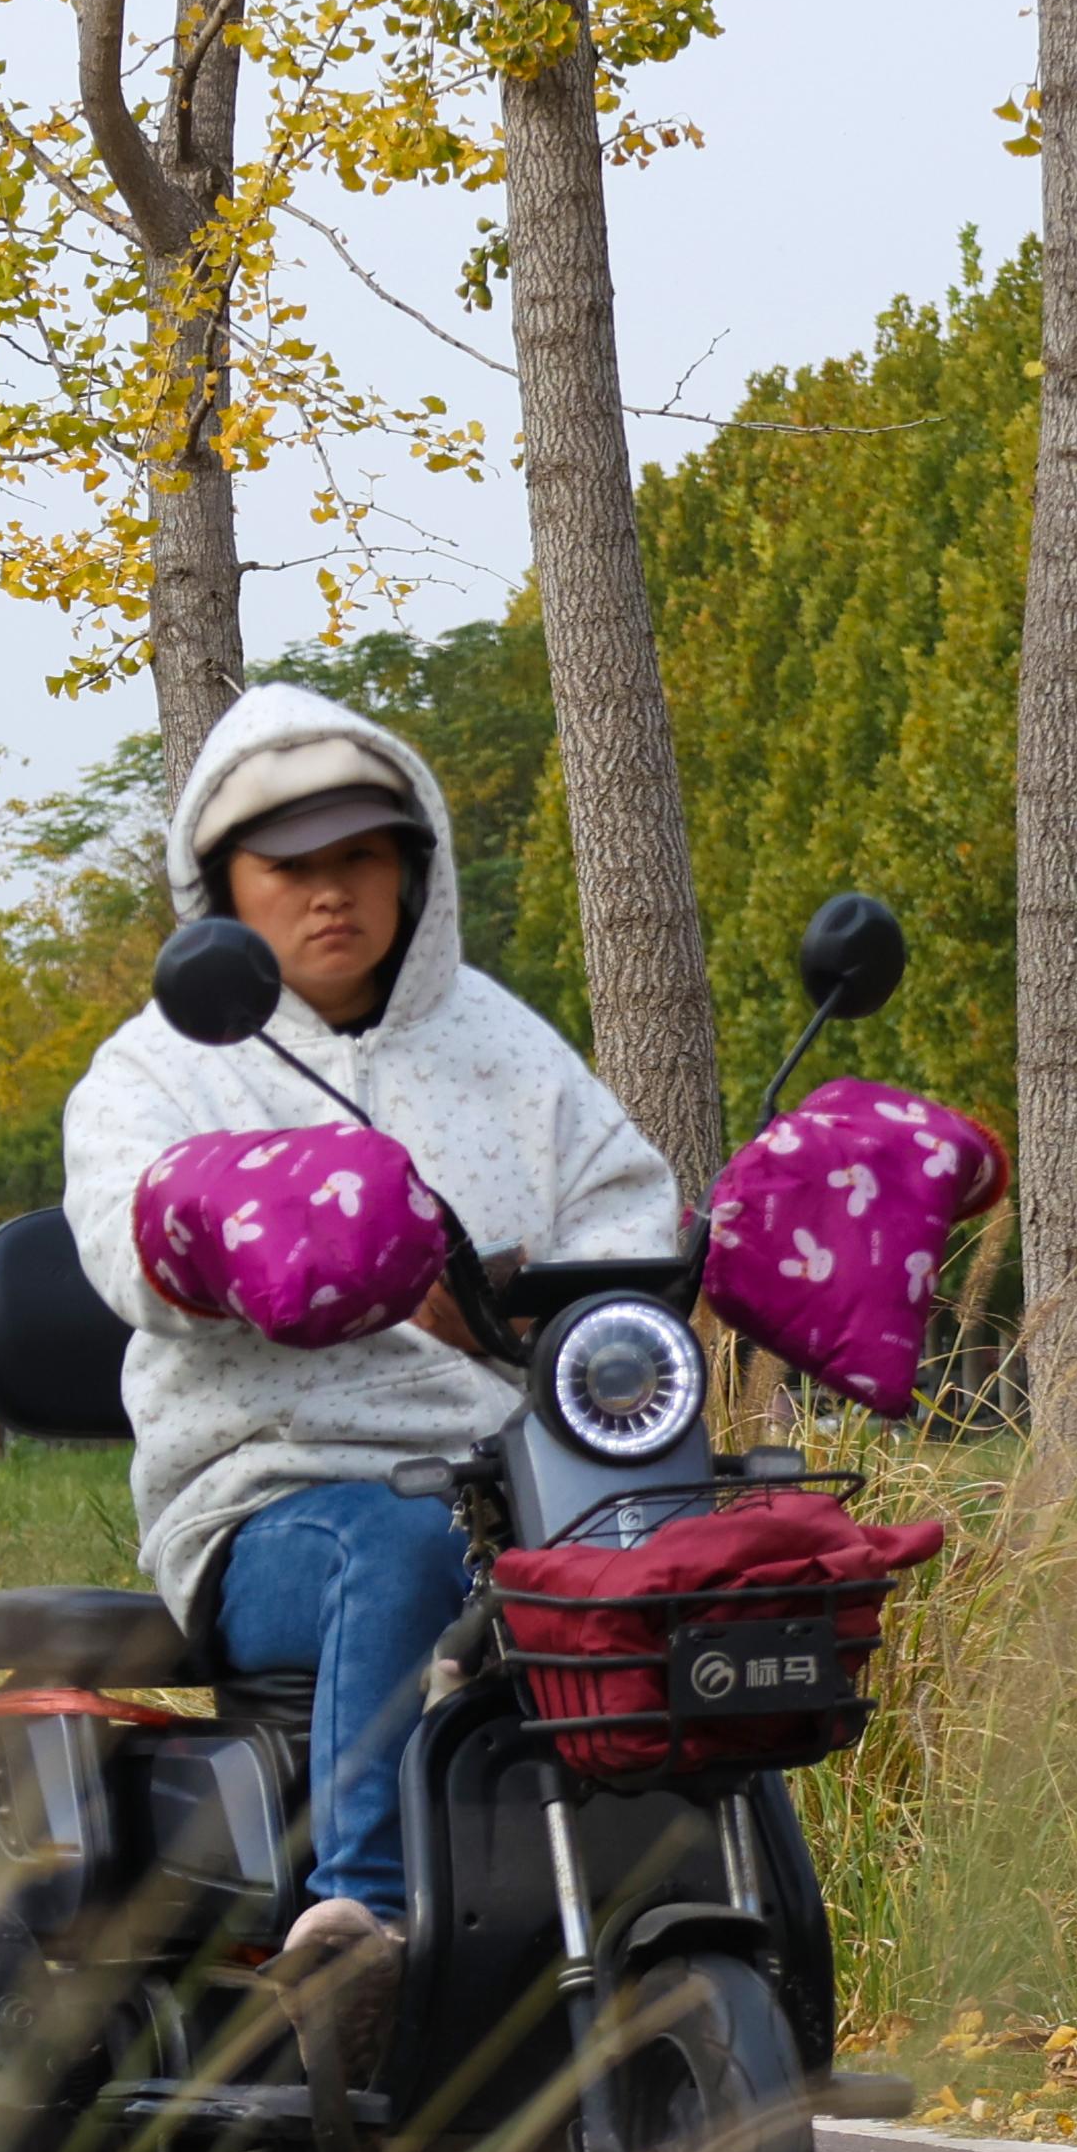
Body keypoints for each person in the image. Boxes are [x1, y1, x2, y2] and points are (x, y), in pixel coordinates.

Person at [62, 686, 680, 2055]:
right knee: (390, 1545)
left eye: (362, 855)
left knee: (710, 1560)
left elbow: (628, 1209)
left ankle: (684, 1921)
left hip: (523, 1484)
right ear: (221, 886)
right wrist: (235, 1228)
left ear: (416, 865)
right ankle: (359, 1927)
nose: (331, 892)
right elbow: (126, 1248)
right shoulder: (155, 1072)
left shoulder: (509, 1046)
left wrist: (543, 1299)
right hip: (277, 1502)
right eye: (289, 865)